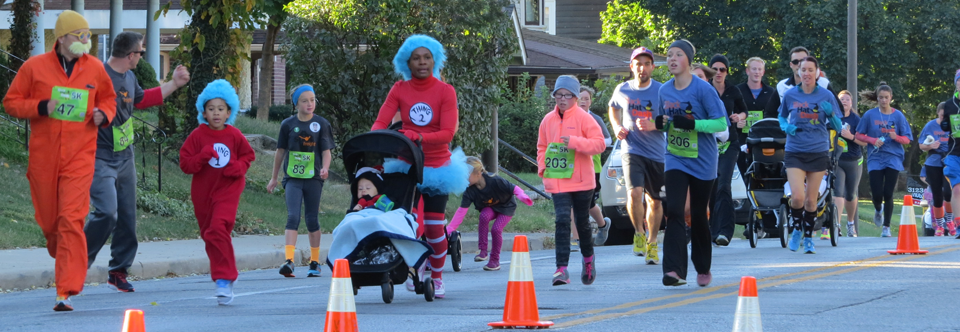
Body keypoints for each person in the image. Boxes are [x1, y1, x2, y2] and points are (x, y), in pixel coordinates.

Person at [3, 10, 117, 311]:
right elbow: (11, 103)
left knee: (71, 218)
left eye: (86, 34)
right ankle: (61, 251)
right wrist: (42, 105)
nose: (84, 40)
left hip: (80, 156)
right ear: (62, 37)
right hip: (44, 157)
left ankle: (65, 290)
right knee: (50, 222)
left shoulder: (94, 68)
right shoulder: (34, 67)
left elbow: (109, 99)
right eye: (78, 35)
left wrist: (103, 114)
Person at [84, 31, 190, 293]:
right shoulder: (99, 76)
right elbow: (80, 108)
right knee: (107, 212)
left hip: (125, 156)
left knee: (128, 218)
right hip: (99, 156)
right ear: (131, 55)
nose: (141, 57)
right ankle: (77, 262)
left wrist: (174, 83)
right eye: (141, 52)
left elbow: (144, 100)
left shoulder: (130, 77)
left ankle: (118, 271)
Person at [371, 35, 470, 298]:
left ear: (435, 60)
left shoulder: (445, 91)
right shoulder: (400, 89)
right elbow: (380, 122)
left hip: (438, 167)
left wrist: (419, 136)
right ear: (408, 62)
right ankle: (413, 266)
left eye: (427, 57)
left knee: (435, 226)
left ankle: (436, 277)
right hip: (406, 166)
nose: (422, 62)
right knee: (408, 224)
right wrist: (375, 140)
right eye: (416, 58)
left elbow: (448, 133)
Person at [654, 39, 728, 287]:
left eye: (678, 55)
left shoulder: (703, 90)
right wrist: (661, 123)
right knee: (674, 210)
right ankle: (674, 270)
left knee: (697, 214)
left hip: (703, 160)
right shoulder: (664, 90)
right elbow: (664, 120)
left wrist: (694, 124)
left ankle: (703, 265)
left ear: (688, 60)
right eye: (669, 55)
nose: (672, 59)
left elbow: (721, 125)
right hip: (675, 157)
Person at [178, 79, 256, 305]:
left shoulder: (234, 135)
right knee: (209, 234)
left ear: (229, 111)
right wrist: (202, 156)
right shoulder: (197, 135)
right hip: (203, 193)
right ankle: (225, 274)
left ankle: (224, 277)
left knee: (217, 228)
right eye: (211, 109)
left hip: (228, 190)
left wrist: (239, 167)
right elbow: (185, 164)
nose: (216, 113)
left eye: (221, 109)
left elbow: (248, 156)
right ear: (203, 111)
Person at [537, 75, 605, 286]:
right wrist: (543, 167)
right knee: (561, 220)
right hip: (558, 181)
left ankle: (588, 260)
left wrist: (575, 142)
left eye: (567, 95)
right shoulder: (547, 120)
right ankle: (561, 269)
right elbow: (541, 147)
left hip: (582, 181)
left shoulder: (585, 118)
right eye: (559, 95)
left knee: (582, 223)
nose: (563, 99)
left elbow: (599, 144)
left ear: (575, 97)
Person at [265, 84, 334, 278]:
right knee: (293, 216)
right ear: (296, 104)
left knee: (312, 219)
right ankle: (289, 261)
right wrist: (274, 178)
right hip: (293, 179)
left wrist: (325, 168)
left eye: (312, 100)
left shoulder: (321, 124)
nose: (309, 104)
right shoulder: (287, 124)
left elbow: (326, 151)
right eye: (304, 100)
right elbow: (280, 152)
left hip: (313, 179)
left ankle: (314, 262)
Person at [778, 56, 842, 254]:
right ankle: (796, 229)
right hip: (795, 151)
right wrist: (785, 126)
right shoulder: (790, 95)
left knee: (811, 201)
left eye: (810, 70)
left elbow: (839, 126)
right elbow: (781, 115)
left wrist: (831, 115)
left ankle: (808, 238)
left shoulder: (826, 95)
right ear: (798, 72)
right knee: (797, 197)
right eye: (803, 70)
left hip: (817, 151)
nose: (806, 73)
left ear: (817, 73)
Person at [607, 47, 665, 264]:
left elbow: (671, 119)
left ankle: (652, 242)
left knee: (656, 202)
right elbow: (613, 108)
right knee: (634, 194)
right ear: (631, 67)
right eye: (638, 64)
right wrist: (616, 126)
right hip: (632, 150)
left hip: (658, 153)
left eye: (647, 63)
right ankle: (639, 233)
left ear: (652, 67)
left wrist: (655, 125)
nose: (642, 68)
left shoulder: (662, 91)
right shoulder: (622, 89)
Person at [445, 157, 534, 271]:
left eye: (466, 175)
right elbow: (462, 211)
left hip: (506, 206)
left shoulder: (494, 180)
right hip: (490, 207)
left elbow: (514, 188)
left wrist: (523, 196)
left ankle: (494, 260)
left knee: (496, 229)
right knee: (484, 216)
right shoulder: (469, 190)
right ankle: (483, 251)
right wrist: (451, 228)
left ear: (478, 173)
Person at [856, 82, 912, 237]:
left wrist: (897, 137)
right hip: (875, 157)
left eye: (886, 98)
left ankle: (886, 227)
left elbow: (907, 139)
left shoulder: (898, 116)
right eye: (881, 97)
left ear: (891, 98)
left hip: (893, 157)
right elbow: (858, 135)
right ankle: (878, 209)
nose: (883, 100)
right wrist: (872, 140)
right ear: (877, 98)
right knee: (876, 193)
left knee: (888, 192)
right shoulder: (869, 115)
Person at [708, 54, 747, 246]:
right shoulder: (704, 89)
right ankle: (710, 230)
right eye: (715, 69)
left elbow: (744, 110)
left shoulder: (733, 90)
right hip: (708, 143)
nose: (718, 73)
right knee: (710, 186)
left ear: (727, 72)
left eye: (722, 69)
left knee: (724, 184)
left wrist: (739, 116)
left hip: (730, 143)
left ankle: (725, 232)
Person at [577, 86, 612, 248]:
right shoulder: (568, 118)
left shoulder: (595, 119)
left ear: (591, 101)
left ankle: (603, 224)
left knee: (588, 203)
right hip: (572, 167)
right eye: (580, 98)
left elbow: (608, 141)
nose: (583, 101)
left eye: (586, 98)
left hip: (593, 167)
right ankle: (576, 238)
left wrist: (588, 144)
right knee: (572, 203)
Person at [735, 57, 776, 180]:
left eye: (759, 69)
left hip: (763, 139)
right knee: (742, 170)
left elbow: (775, 116)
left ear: (763, 72)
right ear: (747, 71)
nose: (757, 72)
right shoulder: (737, 90)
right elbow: (730, 113)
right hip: (741, 138)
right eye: (754, 69)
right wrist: (736, 122)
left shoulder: (771, 92)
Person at [834, 90, 867, 238]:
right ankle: (837, 225)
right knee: (838, 192)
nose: (844, 101)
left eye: (847, 99)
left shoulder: (856, 120)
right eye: (841, 99)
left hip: (854, 161)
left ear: (851, 103)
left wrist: (851, 136)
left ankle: (850, 223)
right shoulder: (834, 118)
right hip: (838, 160)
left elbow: (864, 142)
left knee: (850, 194)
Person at [765, 47, 833, 117]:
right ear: (791, 65)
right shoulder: (782, 86)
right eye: (795, 62)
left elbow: (838, 111)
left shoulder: (823, 84)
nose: (799, 64)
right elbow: (769, 113)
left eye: (803, 60)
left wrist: (827, 126)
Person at [919, 102, 952, 236]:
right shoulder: (930, 126)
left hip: (949, 161)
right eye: (942, 115)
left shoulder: (954, 125)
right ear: (938, 113)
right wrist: (931, 146)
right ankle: (939, 225)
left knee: (948, 193)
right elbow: (921, 145)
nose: (944, 118)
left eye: (947, 116)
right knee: (937, 194)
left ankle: (950, 222)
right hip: (933, 162)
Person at [940, 69, 960, 239]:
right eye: (959, 81)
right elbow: (945, 124)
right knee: (957, 190)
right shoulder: (949, 104)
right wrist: (945, 124)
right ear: (956, 83)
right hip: (954, 152)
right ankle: (959, 224)